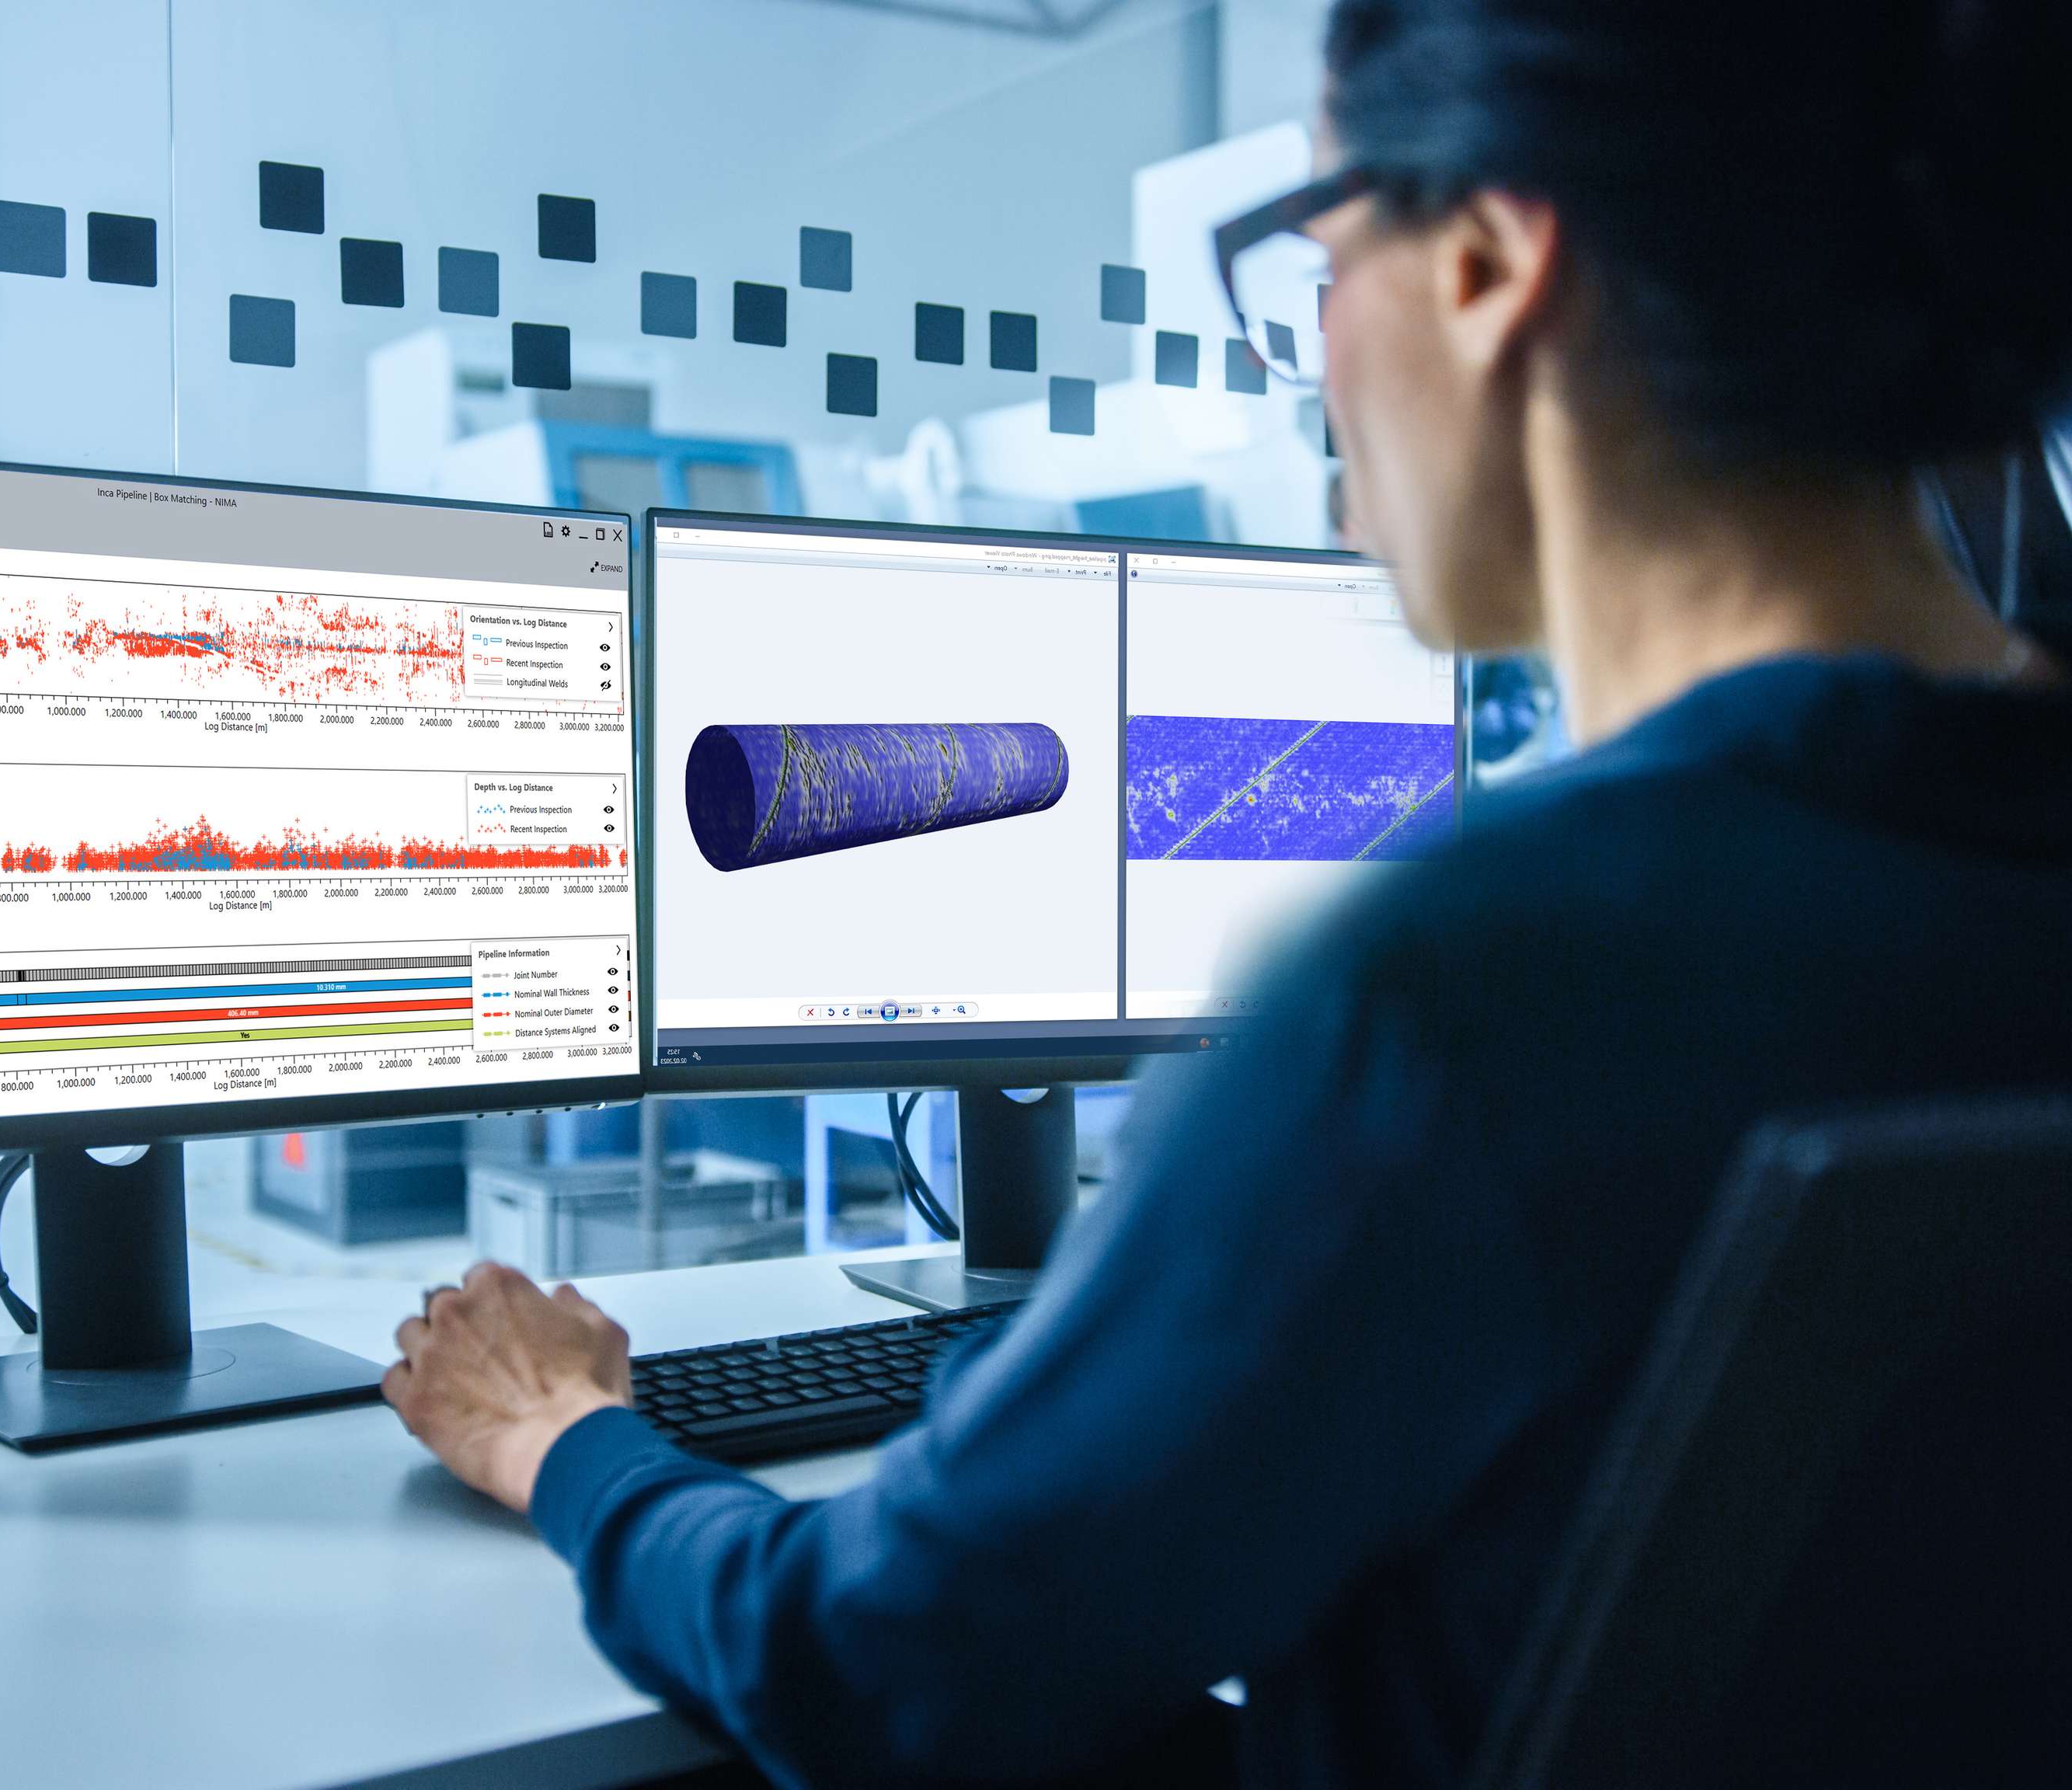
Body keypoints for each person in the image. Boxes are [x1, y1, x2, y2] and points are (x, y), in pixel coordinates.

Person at [383, 0, 2072, 1781]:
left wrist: (569, 1443)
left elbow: (883, 1671)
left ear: (1491, 261)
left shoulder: (1461, 1002)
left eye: (1320, 259)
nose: (1317, 367)